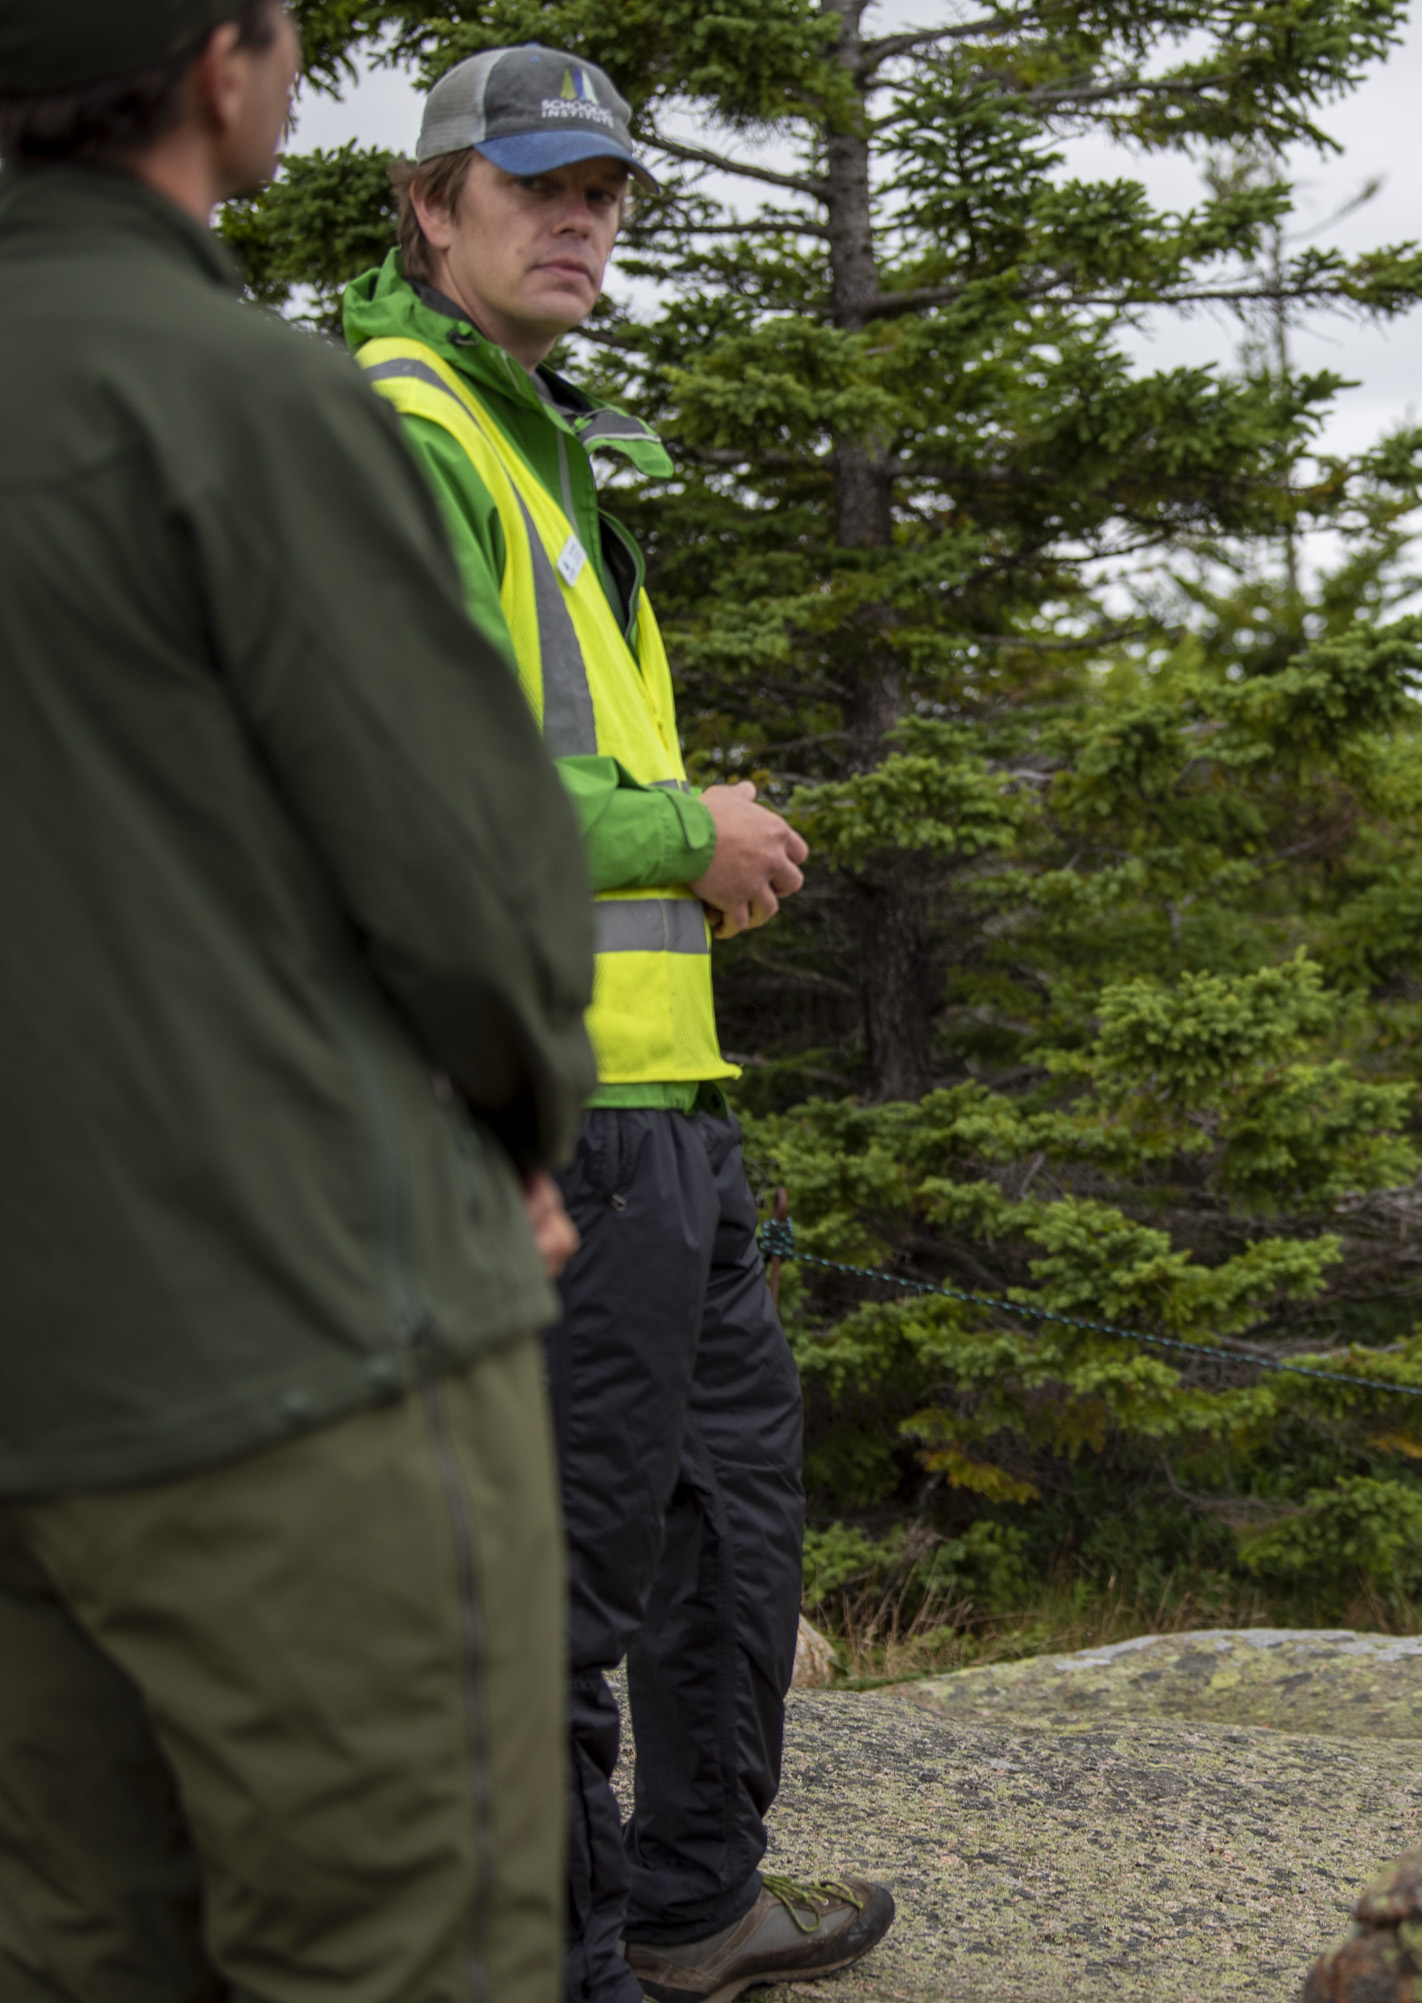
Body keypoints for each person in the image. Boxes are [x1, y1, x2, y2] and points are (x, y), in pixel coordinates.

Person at [0, 4, 598, 1997]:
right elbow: (473, 878)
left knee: (79, 1945)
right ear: (220, 68)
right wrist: (509, 1129)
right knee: (397, 1944)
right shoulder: (242, 397)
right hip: (290, 1347)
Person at [338, 44, 891, 2003]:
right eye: (537, 186)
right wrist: (695, 826)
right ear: (434, 206)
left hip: (670, 1105)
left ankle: (690, 1903)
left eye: (608, 192)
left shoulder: (543, 432)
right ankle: (554, 1960)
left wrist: (689, 835)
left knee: (737, 1524)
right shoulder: (406, 424)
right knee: (556, 1591)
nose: (582, 219)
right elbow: (417, 789)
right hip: (536, 1108)